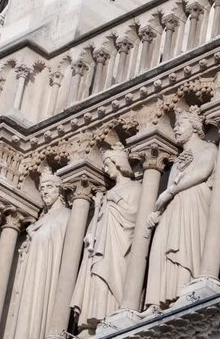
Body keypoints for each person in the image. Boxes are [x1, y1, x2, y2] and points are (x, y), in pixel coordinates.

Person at [145, 106, 217, 309]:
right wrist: (156, 213)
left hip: (193, 203)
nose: (175, 129)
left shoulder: (208, 148)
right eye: (175, 125)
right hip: (174, 208)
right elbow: (168, 192)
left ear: (194, 126)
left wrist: (170, 192)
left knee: (186, 243)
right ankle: (161, 300)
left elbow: (203, 172)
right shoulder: (177, 161)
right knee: (161, 245)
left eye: (180, 124)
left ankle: (186, 290)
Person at [71, 142, 141, 334]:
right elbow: (98, 224)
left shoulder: (136, 188)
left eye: (108, 163)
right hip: (101, 246)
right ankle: (95, 321)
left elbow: (136, 216)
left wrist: (114, 200)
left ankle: (117, 312)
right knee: (98, 276)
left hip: (119, 245)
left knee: (113, 272)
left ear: (119, 164)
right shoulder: (106, 194)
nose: (104, 168)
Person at [5, 169, 71, 339]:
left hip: (47, 276)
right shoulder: (42, 220)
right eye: (42, 189)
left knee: (38, 308)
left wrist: (35, 235)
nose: (45, 192)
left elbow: (60, 249)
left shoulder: (66, 216)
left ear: (60, 190)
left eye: (49, 187)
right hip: (31, 276)